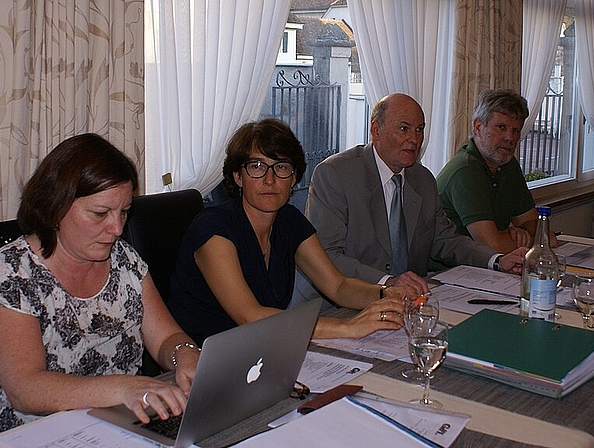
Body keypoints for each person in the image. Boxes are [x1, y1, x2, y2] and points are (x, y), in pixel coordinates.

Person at [0, 134, 199, 445]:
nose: (117, 228)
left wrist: (185, 355)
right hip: (33, 435)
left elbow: (166, 337)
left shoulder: (123, 259)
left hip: (117, 425)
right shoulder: (12, 273)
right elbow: (25, 389)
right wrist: (124, 388)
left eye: (124, 212)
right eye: (100, 214)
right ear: (56, 206)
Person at [168, 118, 412, 347]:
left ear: (293, 177)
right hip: (203, 362)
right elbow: (249, 316)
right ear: (238, 177)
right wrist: (348, 327)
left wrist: (387, 294)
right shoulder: (213, 228)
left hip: (263, 351)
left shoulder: (289, 221)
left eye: (281, 167)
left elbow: (338, 286)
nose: (270, 180)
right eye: (257, 166)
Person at [300, 93, 527, 296]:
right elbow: (326, 256)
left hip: (413, 302)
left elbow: (446, 240)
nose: (415, 139)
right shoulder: (335, 175)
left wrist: (497, 261)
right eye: (404, 128)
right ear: (376, 130)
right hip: (349, 302)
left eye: (420, 129)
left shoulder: (423, 180)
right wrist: (387, 283)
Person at [436, 89, 556, 253]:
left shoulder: (507, 163)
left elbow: (541, 230)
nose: (510, 138)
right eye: (501, 127)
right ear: (478, 127)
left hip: (490, 267)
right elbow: (493, 246)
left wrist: (515, 234)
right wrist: (509, 235)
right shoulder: (466, 170)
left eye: (516, 130)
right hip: (448, 270)